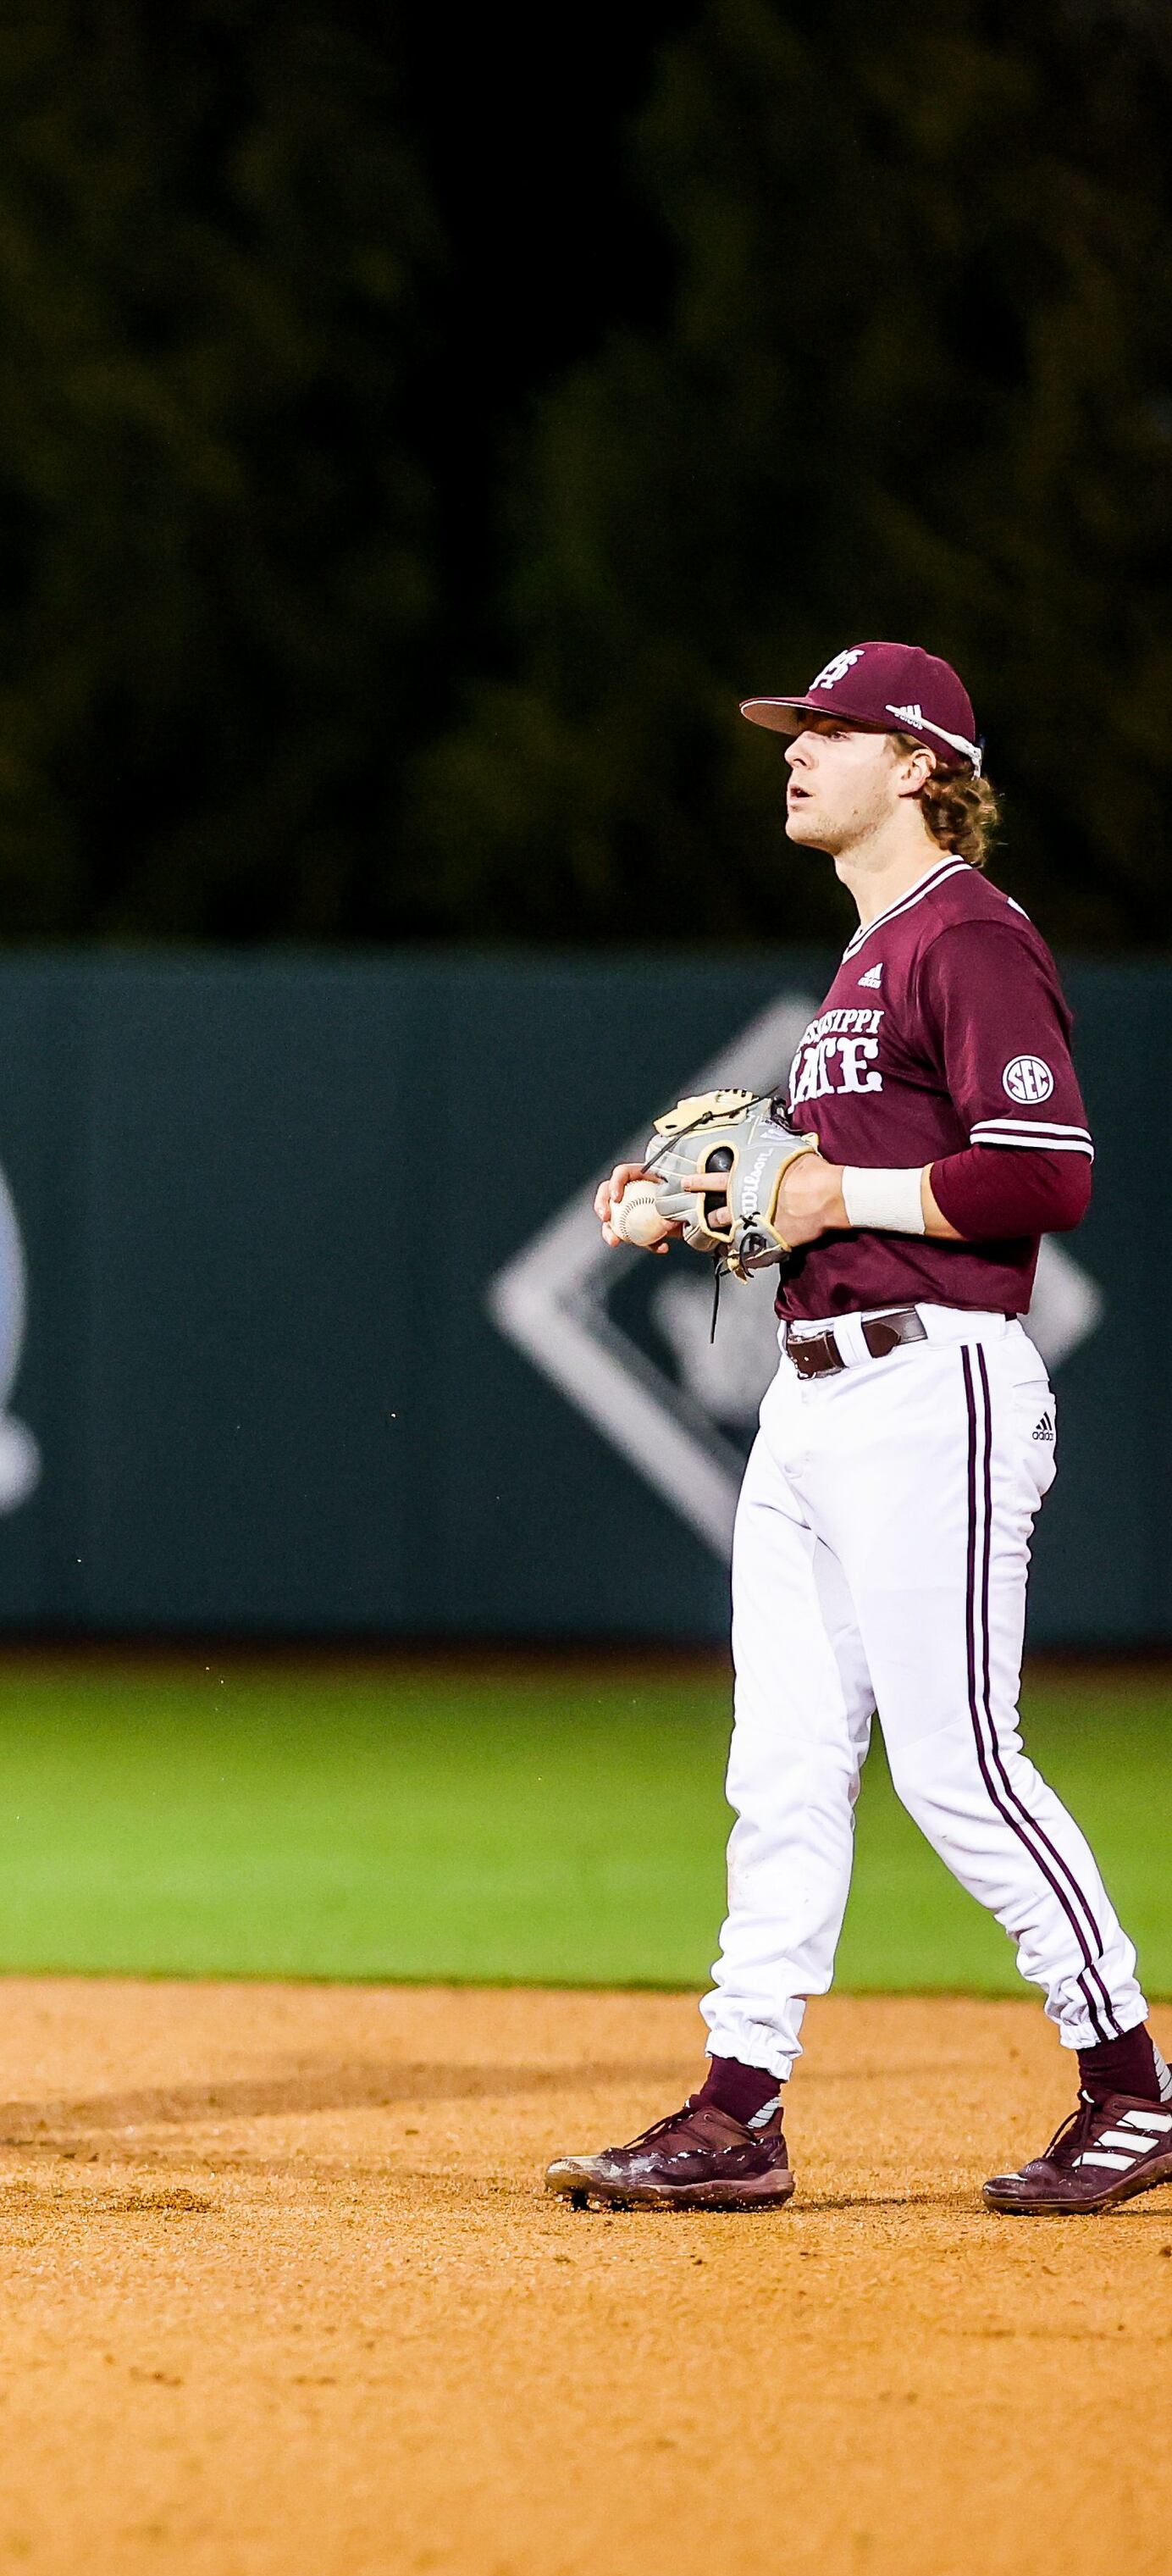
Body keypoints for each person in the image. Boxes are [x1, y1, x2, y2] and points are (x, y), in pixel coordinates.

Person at [550, 645, 1158, 2215]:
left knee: (960, 1762)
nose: (796, 752)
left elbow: (1045, 1174)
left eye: (829, 730)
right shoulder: (863, 960)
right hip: (814, 1394)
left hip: (933, 1382)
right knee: (784, 1763)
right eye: (794, 729)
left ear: (918, 762)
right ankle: (737, 2107)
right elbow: (824, 1189)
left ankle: (1133, 2088)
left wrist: (834, 1189)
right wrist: (720, 1208)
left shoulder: (969, 933)